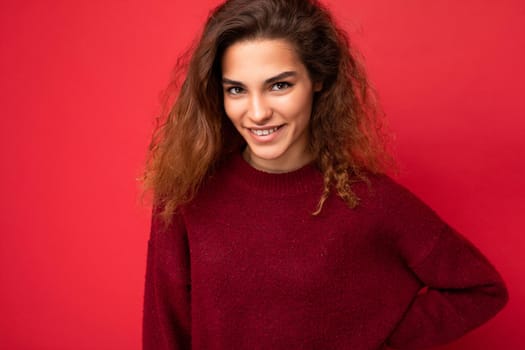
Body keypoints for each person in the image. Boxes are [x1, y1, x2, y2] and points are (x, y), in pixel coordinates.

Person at [141, 0, 509, 349]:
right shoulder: (187, 195)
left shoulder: (368, 200)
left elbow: (481, 287)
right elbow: (164, 331)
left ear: (317, 79)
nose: (256, 112)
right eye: (237, 90)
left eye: (279, 85)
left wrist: (377, 336)